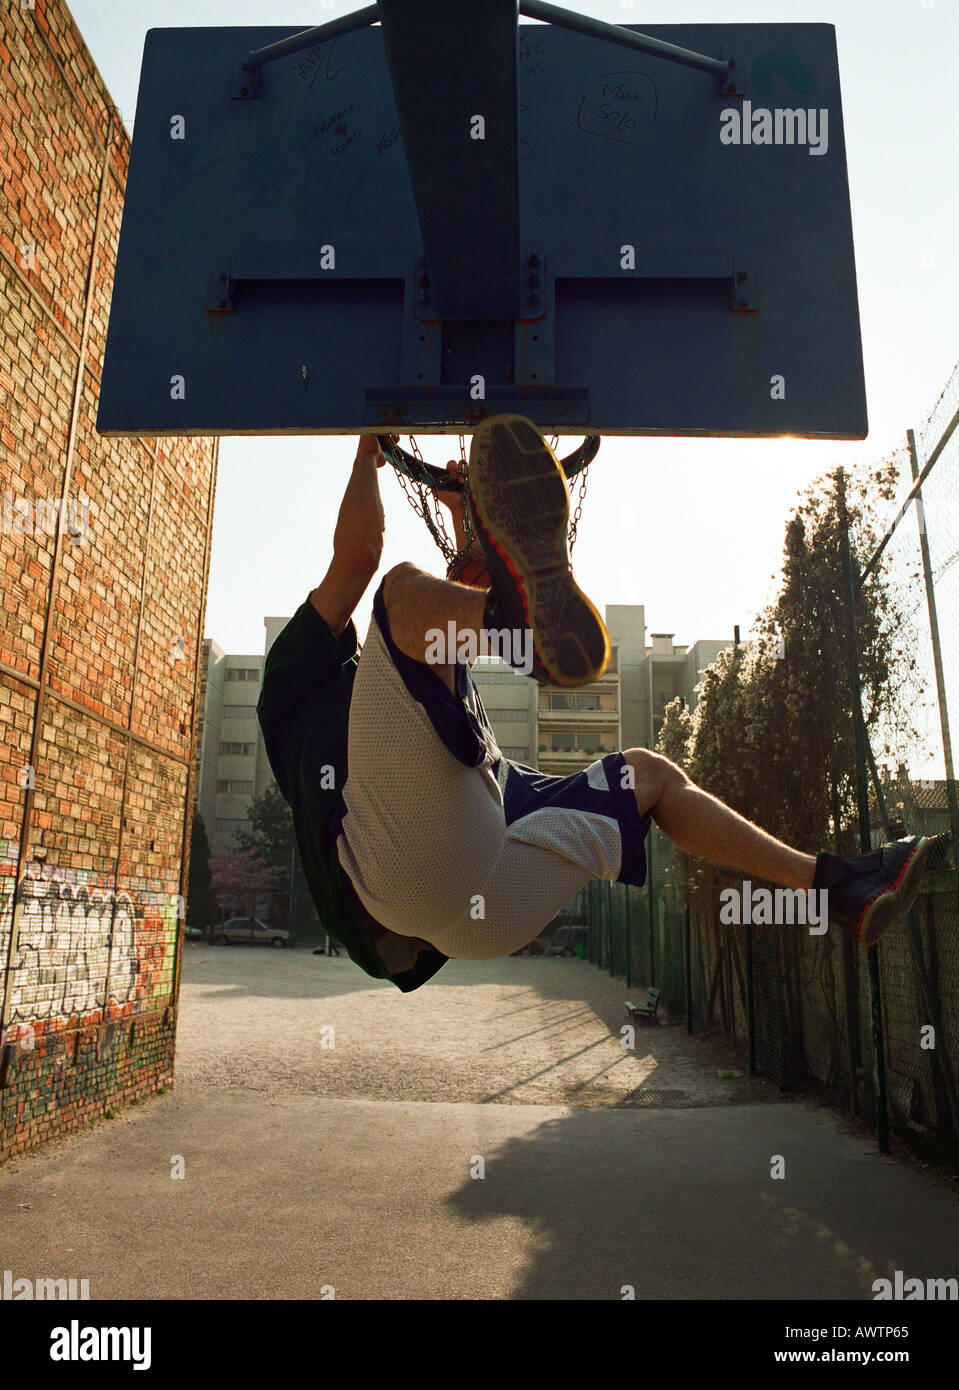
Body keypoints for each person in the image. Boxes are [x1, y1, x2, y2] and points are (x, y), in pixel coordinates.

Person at [258, 416, 928, 992]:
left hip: (469, 916)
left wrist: (467, 515)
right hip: (398, 876)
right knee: (401, 593)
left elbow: (445, 596)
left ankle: (832, 885)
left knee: (649, 777)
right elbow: (361, 560)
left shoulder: (394, 711)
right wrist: (366, 451)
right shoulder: (307, 682)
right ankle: (520, 634)